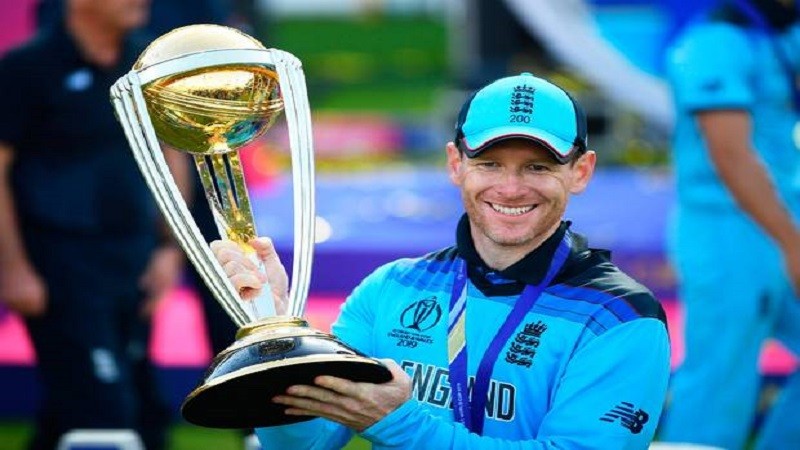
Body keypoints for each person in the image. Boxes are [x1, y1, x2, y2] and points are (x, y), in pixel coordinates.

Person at [212, 72, 671, 449]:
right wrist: (278, 338)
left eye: (538, 166)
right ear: (456, 164)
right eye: (489, 164)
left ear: (581, 172)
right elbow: (306, 443)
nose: (511, 188)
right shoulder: (392, 288)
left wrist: (400, 424)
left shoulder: (620, 318)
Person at [0, 0, 187, 449]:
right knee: (103, 413)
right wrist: (13, 268)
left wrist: (170, 247)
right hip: (59, 261)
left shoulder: (148, 63)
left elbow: (174, 151)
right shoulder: (26, 69)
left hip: (134, 255)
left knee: (138, 410)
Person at [658, 0, 800, 448]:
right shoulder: (715, 39)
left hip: (782, 223)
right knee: (720, 381)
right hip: (728, 231)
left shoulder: (779, 32)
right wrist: (791, 244)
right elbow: (731, 155)